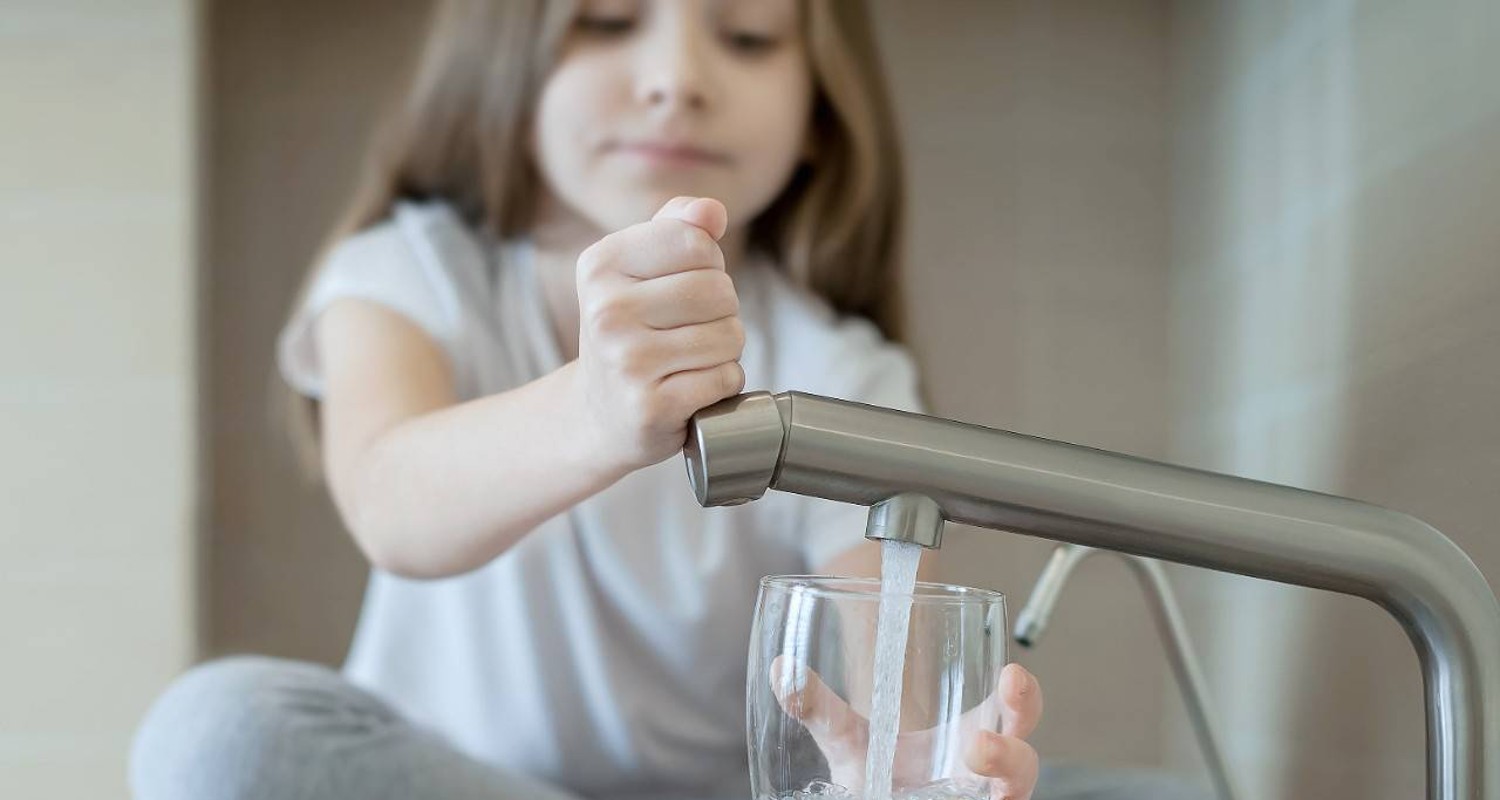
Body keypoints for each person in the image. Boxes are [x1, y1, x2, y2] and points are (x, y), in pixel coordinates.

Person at [131, 1, 1060, 798]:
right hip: (446, 774)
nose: (676, 78)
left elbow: (886, 663)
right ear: (508, 58)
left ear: (820, 107)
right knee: (222, 732)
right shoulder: (407, 275)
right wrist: (592, 412)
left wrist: (912, 765)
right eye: (608, 20)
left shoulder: (844, 367)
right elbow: (388, 502)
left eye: (746, 35)